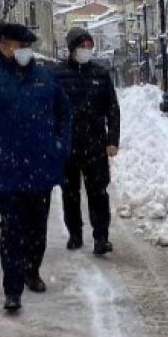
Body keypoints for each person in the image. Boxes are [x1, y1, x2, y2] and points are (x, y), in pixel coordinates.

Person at [0, 23, 72, 313]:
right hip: (6, 170)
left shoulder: (45, 79)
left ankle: (32, 270)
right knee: (11, 229)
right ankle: (12, 289)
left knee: (37, 227)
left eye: (26, 46)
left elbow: (64, 116)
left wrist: (60, 147)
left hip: (41, 167)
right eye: (17, 45)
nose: (23, 51)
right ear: (2, 46)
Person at [54, 27, 121, 255]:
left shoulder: (100, 74)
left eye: (89, 47)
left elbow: (112, 109)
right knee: (70, 193)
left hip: (95, 144)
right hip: (68, 145)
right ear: (71, 49)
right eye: (82, 47)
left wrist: (112, 139)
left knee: (98, 192)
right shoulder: (58, 75)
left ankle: (101, 237)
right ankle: (75, 233)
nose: (86, 51)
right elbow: (50, 110)